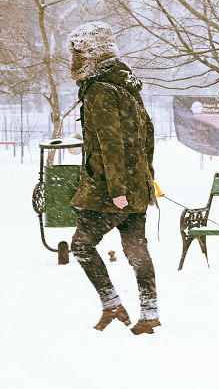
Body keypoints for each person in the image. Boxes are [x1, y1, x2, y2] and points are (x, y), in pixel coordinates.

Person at [67, 21, 160, 335]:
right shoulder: (126, 85)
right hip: (135, 186)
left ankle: (111, 303)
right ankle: (149, 314)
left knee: (81, 245)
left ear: (91, 54)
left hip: (110, 189)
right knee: (136, 250)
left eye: (77, 52)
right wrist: (145, 180)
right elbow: (147, 135)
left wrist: (118, 189)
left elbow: (110, 142)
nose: (74, 60)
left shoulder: (101, 89)